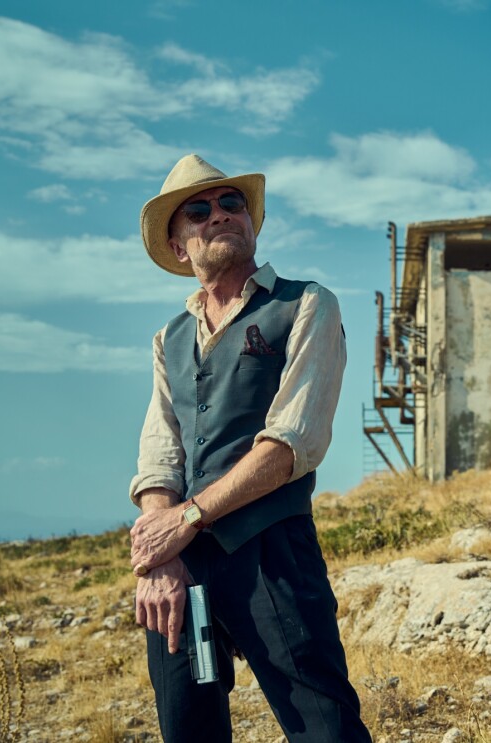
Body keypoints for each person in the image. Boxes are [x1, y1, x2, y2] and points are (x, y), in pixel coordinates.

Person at [128, 154, 372, 742]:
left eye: (231, 203)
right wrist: (161, 555)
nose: (220, 215)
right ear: (179, 244)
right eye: (199, 210)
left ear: (251, 222)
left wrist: (189, 517)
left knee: (325, 729)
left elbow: (292, 442)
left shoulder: (307, 305)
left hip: (271, 553)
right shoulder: (170, 337)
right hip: (183, 563)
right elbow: (161, 453)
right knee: (188, 731)